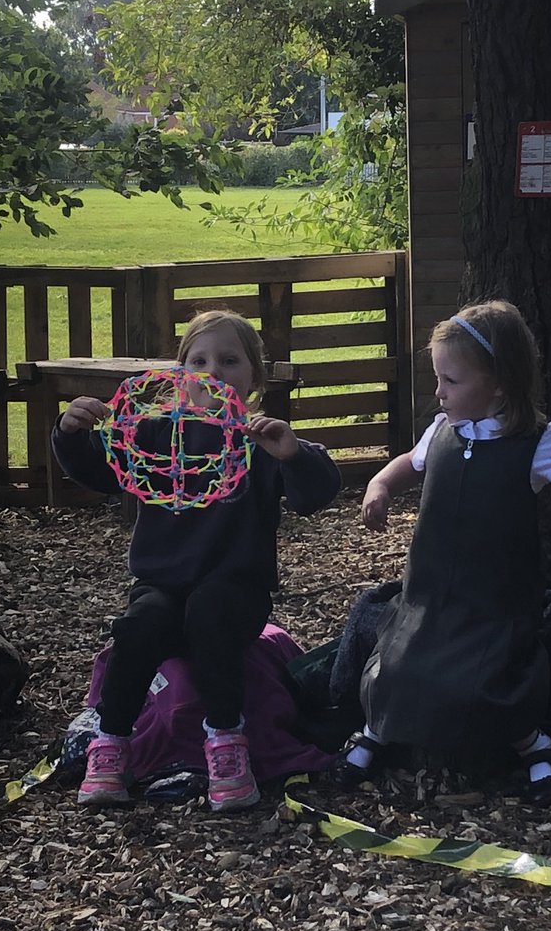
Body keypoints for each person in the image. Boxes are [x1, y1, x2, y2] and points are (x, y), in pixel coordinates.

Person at [331, 299, 551, 807]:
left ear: (499, 382)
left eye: (450, 381)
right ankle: (376, 732)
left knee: (489, 682)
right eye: (438, 378)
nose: (438, 392)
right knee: (397, 664)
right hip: (427, 593)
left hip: (494, 599)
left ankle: (533, 744)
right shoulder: (443, 431)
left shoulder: (538, 440)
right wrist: (379, 485)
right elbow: (408, 463)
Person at [52, 309, 341, 812]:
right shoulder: (155, 434)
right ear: (180, 372)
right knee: (140, 624)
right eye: (199, 360)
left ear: (254, 378)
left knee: (210, 610)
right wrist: (71, 433)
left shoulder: (261, 439)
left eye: (229, 361)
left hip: (236, 588)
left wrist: (294, 455)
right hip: (162, 581)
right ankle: (111, 744)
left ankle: (226, 746)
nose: (212, 372)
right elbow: (102, 473)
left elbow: (317, 492)